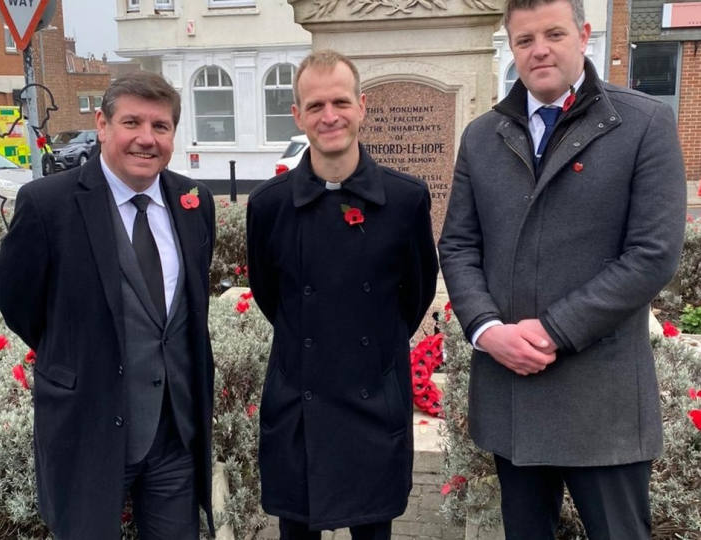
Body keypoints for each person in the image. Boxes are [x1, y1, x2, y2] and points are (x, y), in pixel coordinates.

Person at [438, 0, 687, 538]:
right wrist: (486, 330)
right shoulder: (482, 137)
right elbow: (458, 245)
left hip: (603, 402)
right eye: (524, 40)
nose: (539, 50)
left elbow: (652, 254)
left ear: (584, 35)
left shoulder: (643, 122)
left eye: (553, 34)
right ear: (512, 46)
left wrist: (554, 329)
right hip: (513, 395)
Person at [0, 71, 216, 540]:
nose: (146, 139)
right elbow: (20, 305)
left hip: (174, 434)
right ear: (101, 124)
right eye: (131, 122)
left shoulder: (194, 202)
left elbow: (188, 311)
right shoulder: (47, 205)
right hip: (88, 428)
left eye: (160, 127)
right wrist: (76, 353)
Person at [246, 50, 439, 540]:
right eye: (314, 106)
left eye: (339, 102)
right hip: (298, 404)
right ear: (297, 115)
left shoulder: (406, 199)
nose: (329, 116)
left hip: (373, 403)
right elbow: (273, 298)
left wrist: (374, 354)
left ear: (362, 106)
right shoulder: (268, 206)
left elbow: (413, 295)